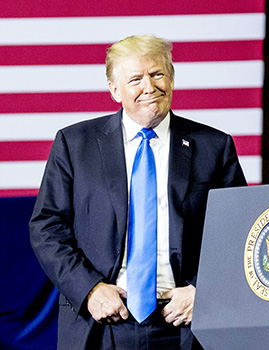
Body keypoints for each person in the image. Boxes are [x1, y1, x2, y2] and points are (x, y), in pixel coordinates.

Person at [29, 35, 247, 350]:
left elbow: (238, 232)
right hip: (102, 324)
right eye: (135, 79)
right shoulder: (75, 145)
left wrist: (205, 290)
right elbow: (46, 227)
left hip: (186, 324)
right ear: (115, 90)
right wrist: (90, 290)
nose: (149, 86)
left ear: (172, 78)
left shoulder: (214, 146)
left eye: (157, 74)